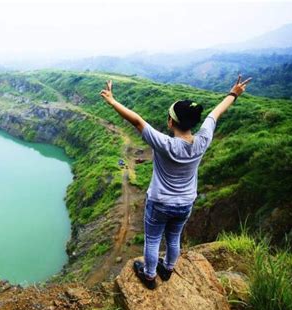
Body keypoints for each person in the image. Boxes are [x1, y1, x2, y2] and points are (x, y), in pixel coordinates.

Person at [100, 75, 251, 289]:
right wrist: (234, 94)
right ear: (193, 123)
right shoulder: (203, 140)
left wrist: (112, 101)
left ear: (171, 122)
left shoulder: (164, 144)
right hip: (185, 203)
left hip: (160, 202)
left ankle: (150, 275)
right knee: (174, 237)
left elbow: (136, 120)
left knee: (152, 240)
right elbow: (215, 114)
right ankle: (168, 268)